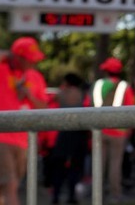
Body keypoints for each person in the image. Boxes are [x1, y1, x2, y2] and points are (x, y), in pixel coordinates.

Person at [0, 36, 48, 205]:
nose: (32, 64)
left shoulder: (35, 76)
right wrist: (8, 55)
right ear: (17, 57)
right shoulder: (0, 69)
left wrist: (29, 95)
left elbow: (43, 107)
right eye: (28, 59)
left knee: (3, 187)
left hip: (22, 140)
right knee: (8, 185)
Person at [90, 57, 135, 204]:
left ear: (105, 70)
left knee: (98, 163)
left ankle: (96, 194)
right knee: (115, 164)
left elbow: (88, 105)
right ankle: (115, 195)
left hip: (99, 129)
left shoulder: (97, 85)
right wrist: (128, 131)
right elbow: (131, 109)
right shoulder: (124, 87)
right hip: (118, 132)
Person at [49, 72, 89, 205]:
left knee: (59, 167)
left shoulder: (61, 93)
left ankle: (56, 196)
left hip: (64, 132)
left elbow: (51, 102)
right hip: (78, 133)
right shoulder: (82, 93)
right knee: (75, 168)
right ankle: (72, 196)